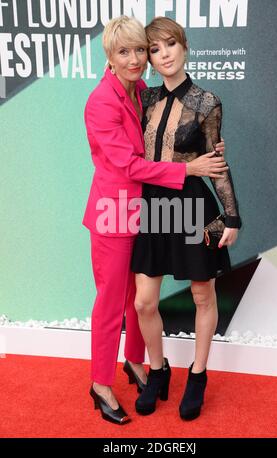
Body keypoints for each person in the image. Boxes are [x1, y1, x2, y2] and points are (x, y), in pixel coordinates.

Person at [83, 16, 227, 425]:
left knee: (137, 301)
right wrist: (189, 171)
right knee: (111, 304)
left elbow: (168, 137)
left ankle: (134, 363)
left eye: (139, 50)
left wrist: (205, 142)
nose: (135, 60)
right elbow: (129, 164)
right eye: (123, 52)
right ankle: (99, 384)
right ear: (109, 57)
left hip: (145, 212)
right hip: (113, 214)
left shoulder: (142, 91)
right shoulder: (101, 101)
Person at [131, 17, 242, 420]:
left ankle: (197, 374)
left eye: (170, 45)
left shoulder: (207, 101)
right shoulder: (144, 100)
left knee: (202, 295)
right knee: (144, 302)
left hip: (194, 207)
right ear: (150, 59)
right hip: (153, 207)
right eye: (155, 49)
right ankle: (158, 372)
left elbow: (217, 162)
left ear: (184, 46)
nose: (164, 55)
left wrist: (231, 216)